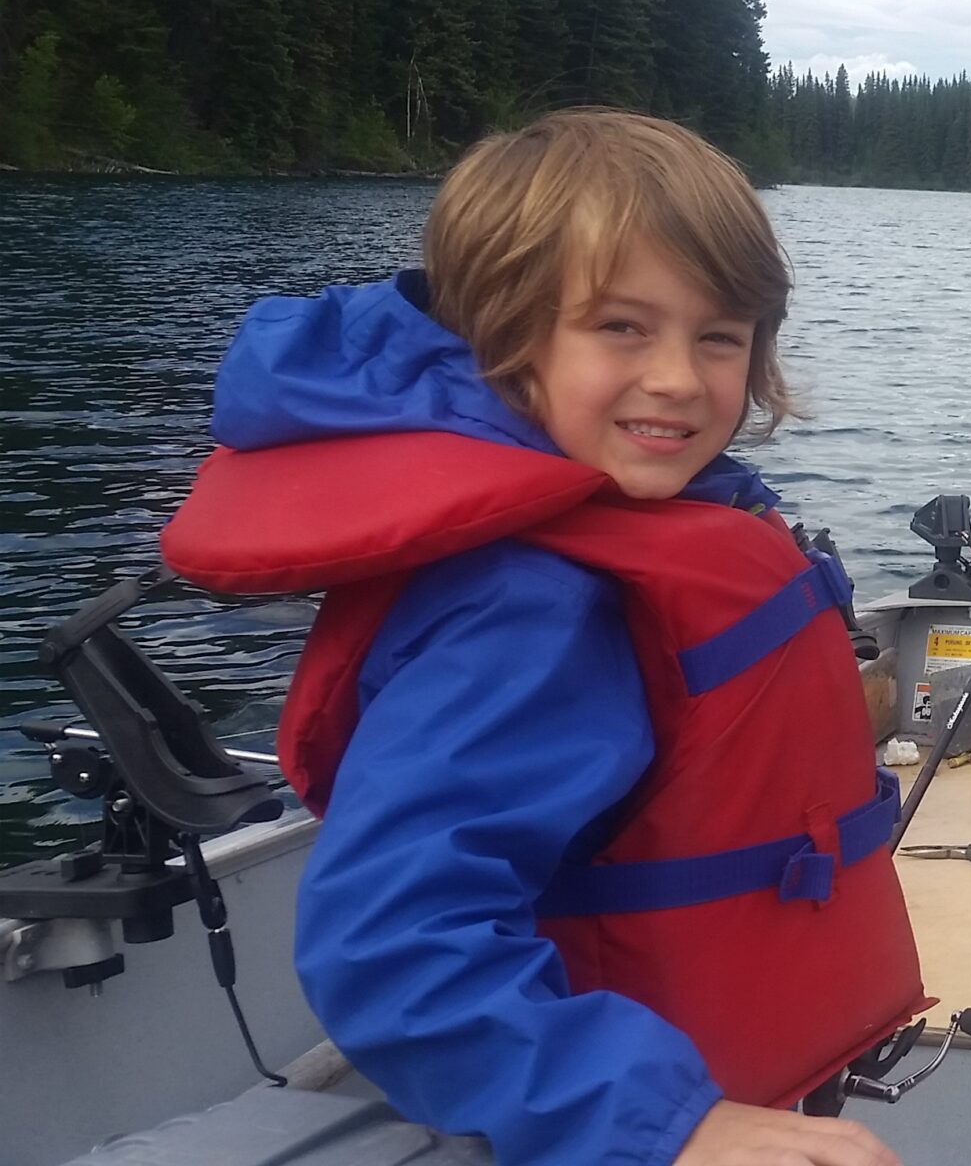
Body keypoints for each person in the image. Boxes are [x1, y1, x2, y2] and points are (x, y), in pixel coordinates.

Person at [159, 110, 923, 1166]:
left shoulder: (614, 524)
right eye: (621, 328)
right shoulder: (534, 606)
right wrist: (668, 1124)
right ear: (508, 336)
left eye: (719, 336)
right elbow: (392, 946)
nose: (679, 379)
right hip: (619, 1121)